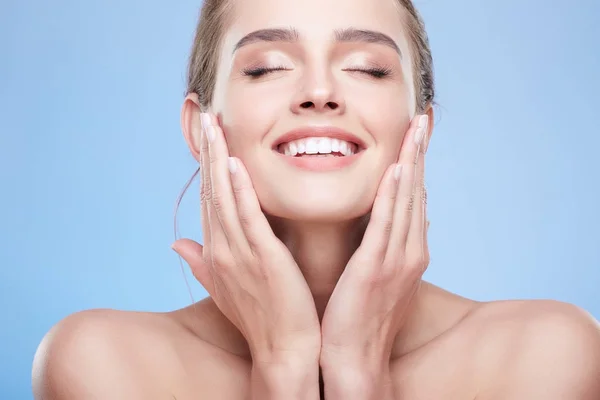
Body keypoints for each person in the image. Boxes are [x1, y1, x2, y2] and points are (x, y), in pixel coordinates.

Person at [32, 0, 600, 398]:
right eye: (268, 67)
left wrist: (357, 370)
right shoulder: (104, 364)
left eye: (368, 68)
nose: (321, 92)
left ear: (420, 125)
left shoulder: (545, 356)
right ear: (200, 126)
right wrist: (285, 365)